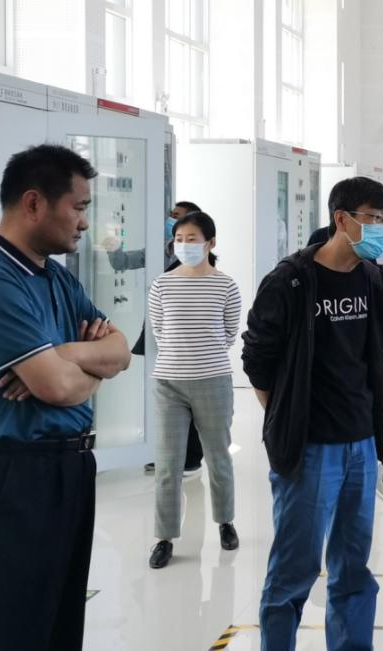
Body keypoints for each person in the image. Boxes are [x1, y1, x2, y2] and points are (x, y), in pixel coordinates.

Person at [0, 144, 131, 650]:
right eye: (79, 207)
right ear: (34, 203)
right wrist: (86, 367)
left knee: (59, 620)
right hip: (13, 475)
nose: (84, 223)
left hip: (69, 470)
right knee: (11, 625)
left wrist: (62, 353)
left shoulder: (55, 277)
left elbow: (121, 350)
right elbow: (57, 387)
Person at [243, 177, 383, 651]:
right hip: (310, 449)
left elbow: (371, 358)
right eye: (374, 219)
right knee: (295, 569)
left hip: (361, 446)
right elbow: (257, 360)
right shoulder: (290, 281)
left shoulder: (373, 279)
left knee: (353, 568)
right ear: (342, 219)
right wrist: (286, 416)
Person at [147, 211, 242, 569]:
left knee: (218, 457)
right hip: (168, 383)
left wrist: (202, 356)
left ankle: (226, 521)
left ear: (210, 243)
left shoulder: (226, 286)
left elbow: (229, 333)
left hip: (213, 380)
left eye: (192, 239)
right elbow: (159, 330)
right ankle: (164, 537)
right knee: (168, 464)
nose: (184, 245)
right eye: (179, 239)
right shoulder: (162, 284)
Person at [105, 199, 206, 477]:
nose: (172, 220)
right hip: (159, 331)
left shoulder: (201, 259)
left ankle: (191, 458)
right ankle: (163, 452)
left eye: (179, 216)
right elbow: (123, 262)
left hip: (187, 338)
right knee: (166, 397)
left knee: (189, 398)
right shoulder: (159, 249)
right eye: (171, 216)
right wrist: (113, 247)